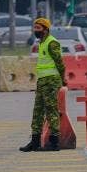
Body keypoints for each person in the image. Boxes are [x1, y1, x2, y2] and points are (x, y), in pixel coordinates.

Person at [20, 18, 67, 152]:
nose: (36, 31)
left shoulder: (52, 43)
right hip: (42, 81)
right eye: (34, 28)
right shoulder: (42, 43)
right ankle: (35, 142)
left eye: (38, 28)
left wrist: (63, 79)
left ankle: (54, 142)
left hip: (51, 81)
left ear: (46, 29)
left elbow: (60, 63)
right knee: (38, 111)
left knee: (51, 110)